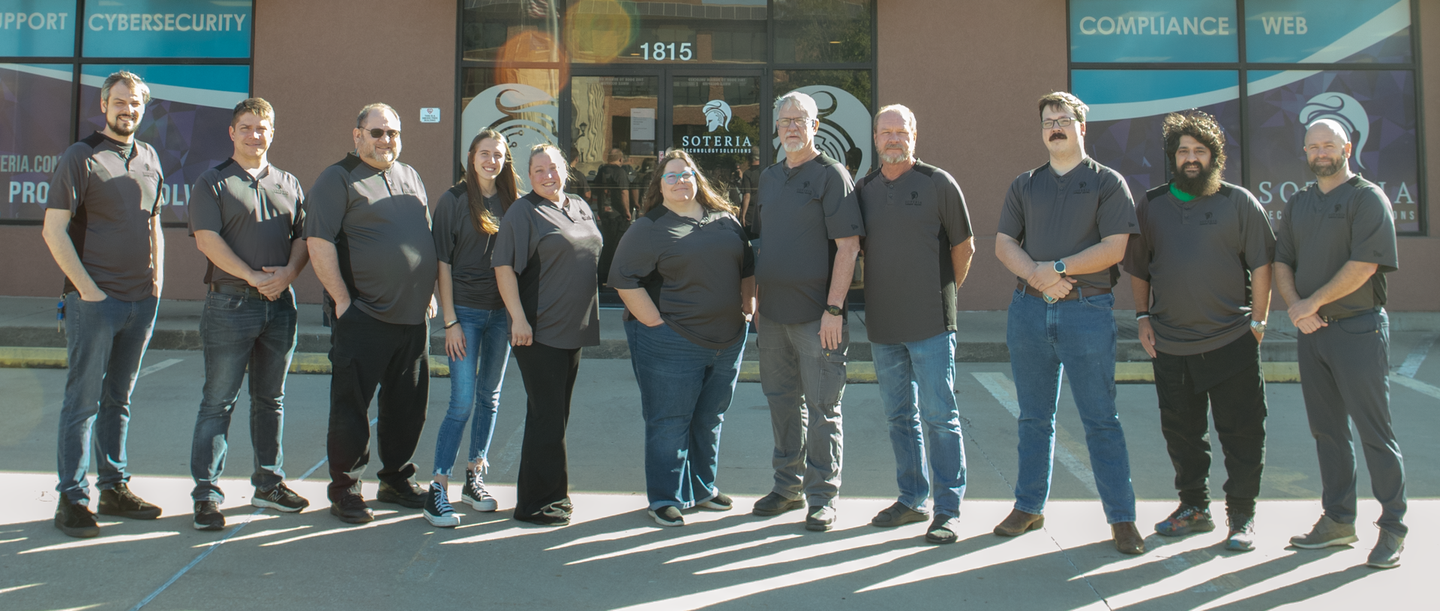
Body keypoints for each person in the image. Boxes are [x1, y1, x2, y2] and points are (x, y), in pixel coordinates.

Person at [993, 92, 1144, 555]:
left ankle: (1122, 519)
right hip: (1029, 313)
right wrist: (1038, 278)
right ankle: (1029, 506)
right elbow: (1003, 244)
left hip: (1086, 312)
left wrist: (1056, 270)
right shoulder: (1025, 184)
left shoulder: (1107, 183)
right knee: (1034, 417)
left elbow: (1116, 246)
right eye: (1047, 121)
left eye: (1063, 119)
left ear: (1082, 126)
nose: (1054, 126)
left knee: (1101, 419)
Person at [1125, 110, 1273, 552]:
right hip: (1171, 344)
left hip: (1231, 340)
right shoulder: (1151, 204)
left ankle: (1242, 516)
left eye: (1200, 151)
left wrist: (1260, 322)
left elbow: (1263, 265)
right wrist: (1142, 317)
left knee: (1243, 432)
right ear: (1173, 157)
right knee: (1183, 433)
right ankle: (1194, 508)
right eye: (1183, 151)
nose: (1191, 159)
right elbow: (1139, 268)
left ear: (1214, 156)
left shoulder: (1238, 202)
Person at [1278, 119, 1407, 569]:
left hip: (1358, 329)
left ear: (1346, 147)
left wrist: (1309, 304)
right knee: (1327, 432)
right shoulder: (1299, 203)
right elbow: (1283, 261)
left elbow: (1365, 265)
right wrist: (1298, 309)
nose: (1319, 153)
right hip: (1313, 333)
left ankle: (1393, 527)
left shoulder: (1367, 199)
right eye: (1312, 147)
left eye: (1328, 145)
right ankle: (1338, 520)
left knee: (1375, 432)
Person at [43, 71, 166, 538]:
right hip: (95, 302)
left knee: (119, 400)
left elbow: (153, 223)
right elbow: (53, 230)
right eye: (119, 101)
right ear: (104, 105)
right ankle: (72, 498)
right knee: (82, 402)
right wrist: (88, 290)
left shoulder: (151, 157)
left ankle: (113, 487)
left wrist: (157, 283)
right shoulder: (81, 156)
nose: (127, 110)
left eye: (135, 103)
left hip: (141, 302)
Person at [306, 103, 438, 524]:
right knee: (352, 408)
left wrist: (428, 289)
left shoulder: (410, 175)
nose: (386, 140)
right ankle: (345, 490)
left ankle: (395, 480)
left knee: (407, 407)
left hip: (413, 317)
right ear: (357, 135)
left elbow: (424, 233)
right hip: (364, 315)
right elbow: (319, 242)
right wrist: (343, 300)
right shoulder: (337, 179)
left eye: (393, 133)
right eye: (377, 132)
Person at [610, 150, 755, 527]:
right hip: (672, 342)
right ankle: (664, 498)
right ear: (659, 185)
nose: (680, 182)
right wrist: (655, 322)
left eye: (686, 174)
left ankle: (703, 488)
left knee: (710, 418)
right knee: (669, 421)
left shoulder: (724, 219)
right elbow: (623, 278)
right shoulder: (650, 226)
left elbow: (747, 267)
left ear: (697, 178)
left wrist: (748, 308)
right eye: (671, 176)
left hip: (727, 342)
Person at [187, 98, 312, 531]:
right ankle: (206, 495)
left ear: (272, 132)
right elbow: (207, 240)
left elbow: (303, 237)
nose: (254, 135)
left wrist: (291, 273)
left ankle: (269, 484)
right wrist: (250, 276)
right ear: (232, 132)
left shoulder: (289, 182)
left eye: (262, 128)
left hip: (280, 308)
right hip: (230, 305)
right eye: (246, 127)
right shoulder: (213, 182)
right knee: (217, 402)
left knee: (270, 401)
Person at [855, 105, 974, 544]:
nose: (892, 138)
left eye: (900, 131)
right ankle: (911, 498)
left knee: (940, 416)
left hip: (931, 325)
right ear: (874, 137)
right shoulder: (863, 188)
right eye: (884, 132)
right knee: (898, 416)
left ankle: (948, 509)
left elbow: (965, 247)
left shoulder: (938, 183)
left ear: (914, 135)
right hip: (883, 325)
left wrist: (943, 294)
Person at [751, 91, 863, 532]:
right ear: (776, 128)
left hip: (818, 318)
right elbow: (767, 244)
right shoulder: (769, 178)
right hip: (773, 315)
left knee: (822, 406)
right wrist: (758, 300)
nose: (792, 127)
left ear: (816, 126)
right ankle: (787, 486)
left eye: (801, 119)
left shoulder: (831, 176)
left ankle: (822, 496)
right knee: (781, 401)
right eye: (785, 120)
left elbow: (848, 247)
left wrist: (834, 308)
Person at [492, 144, 603, 527]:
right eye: (537, 170)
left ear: (565, 169)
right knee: (547, 417)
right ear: (529, 175)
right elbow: (503, 267)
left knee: (554, 415)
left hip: (574, 329)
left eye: (552, 167)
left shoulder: (578, 205)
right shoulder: (522, 213)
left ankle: (550, 494)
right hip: (539, 331)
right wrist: (518, 319)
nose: (546, 175)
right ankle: (537, 504)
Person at [421, 128, 520, 528]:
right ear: (471, 156)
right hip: (465, 312)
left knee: (489, 398)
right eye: (484, 153)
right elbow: (441, 263)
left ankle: (474, 477)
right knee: (461, 402)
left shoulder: (515, 201)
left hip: (502, 315)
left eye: (497, 154)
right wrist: (451, 321)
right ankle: (438, 487)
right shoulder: (454, 200)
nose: (491, 160)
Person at [593, 147, 632, 287]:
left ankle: (602, 277)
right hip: (617, 216)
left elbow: (596, 191)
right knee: (617, 247)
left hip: (604, 215)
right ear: (620, 159)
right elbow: (623, 193)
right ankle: (613, 279)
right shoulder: (620, 172)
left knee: (606, 246)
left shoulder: (601, 171)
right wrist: (627, 211)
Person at [739, 149, 763, 241]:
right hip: (763, 209)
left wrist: (743, 215)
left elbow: (747, 196)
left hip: (751, 213)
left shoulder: (748, 174)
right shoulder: (765, 171)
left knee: (750, 240)